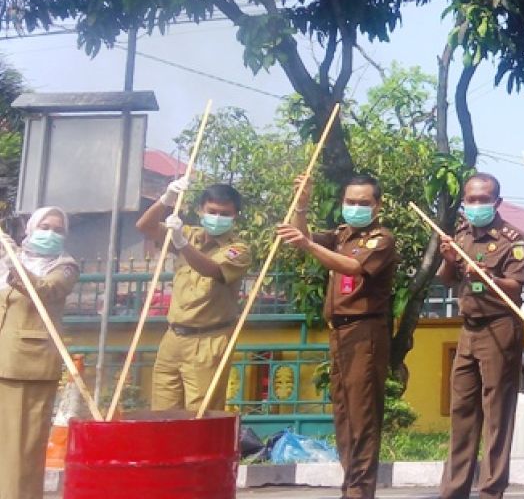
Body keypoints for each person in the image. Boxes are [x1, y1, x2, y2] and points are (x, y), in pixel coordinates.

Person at [278, 175, 398, 499]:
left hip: (365, 332)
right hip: (340, 332)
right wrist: (301, 206)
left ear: (377, 205)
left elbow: (351, 267)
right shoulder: (342, 234)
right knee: (344, 415)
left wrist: (308, 245)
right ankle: (351, 488)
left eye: (363, 203)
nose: (355, 208)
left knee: (362, 417)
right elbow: (301, 237)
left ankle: (360, 492)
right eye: (350, 202)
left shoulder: (380, 239)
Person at [437, 173, 524, 499]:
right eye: (471, 199)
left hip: (499, 327)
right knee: (461, 411)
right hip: (468, 328)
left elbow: (515, 288)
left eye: (483, 199)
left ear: (497, 202)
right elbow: (447, 280)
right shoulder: (460, 234)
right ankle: (454, 490)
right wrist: (449, 260)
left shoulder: (513, 239)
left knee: (496, 415)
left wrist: (488, 276)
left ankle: (491, 491)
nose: (476, 205)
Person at [134, 178, 251, 412]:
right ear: (200, 211)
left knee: (200, 413)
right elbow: (144, 227)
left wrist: (181, 244)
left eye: (225, 213)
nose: (217, 218)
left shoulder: (238, 249)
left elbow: (211, 269)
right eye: (212, 211)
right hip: (173, 336)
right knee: (164, 412)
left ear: (235, 215)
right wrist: (165, 199)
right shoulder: (190, 233)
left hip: (208, 339)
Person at [0, 207, 79, 499]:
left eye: (58, 229)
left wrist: (13, 266)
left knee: (22, 447)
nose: (51, 233)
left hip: (29, 366)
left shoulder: (65, 265)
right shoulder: (13, 258)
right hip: (2, 358)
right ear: (30, 228)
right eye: (45, 226)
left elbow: (47, 291)